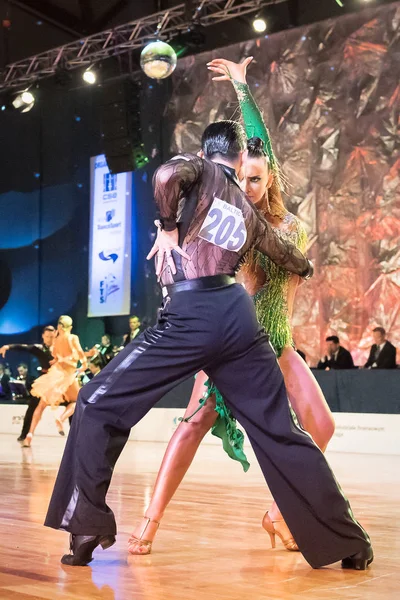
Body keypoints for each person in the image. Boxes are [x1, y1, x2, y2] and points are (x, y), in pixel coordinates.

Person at [44, 117, 372, 572]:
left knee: (97, 402)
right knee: (281, 431)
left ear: (204, 153)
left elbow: (163, 176)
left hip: (190, 314)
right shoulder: (247, 210)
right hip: (238, 318)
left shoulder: (198, 170)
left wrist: (165, 226)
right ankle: (350, 542)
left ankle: (86, 527)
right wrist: (302, 263)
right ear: (240, 160)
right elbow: (292, 258)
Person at [128, 56, 335, 556]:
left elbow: (263, 147)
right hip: (236, 344)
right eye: (243, 177)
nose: (248, 185)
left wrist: (243, 89)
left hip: (278, 346)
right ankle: (150, 522)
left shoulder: (282, 226)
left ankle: (277, 515)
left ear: (270, 180)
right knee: (194, 424)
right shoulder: (232, 226)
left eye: (258, 179)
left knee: (321, 427)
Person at [23, 316, 87, 447]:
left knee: (40, 406)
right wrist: (84, 365)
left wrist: (60, 360)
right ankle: (61, 418)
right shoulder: (73, 338)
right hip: (67, 376)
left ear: (59, 327)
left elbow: (56, 358)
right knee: (76, 401)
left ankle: (29, 435)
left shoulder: (56, 341)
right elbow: (79, 354)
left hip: (54, 375)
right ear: (70, 327)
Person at [0, 326, 56, 441]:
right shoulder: (39, 348)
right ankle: (24, 434)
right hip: (44, 381)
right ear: (43, 337)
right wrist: (8, 346)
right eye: (47, 337)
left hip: (59, 380)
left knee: (73, 404)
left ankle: (77, 437)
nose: (49, 339)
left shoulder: (60, 348)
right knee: (32, 407)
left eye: (51, 336)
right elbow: (24, 347)